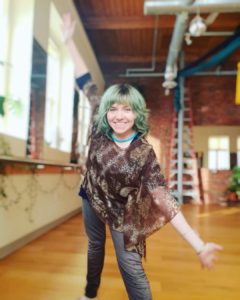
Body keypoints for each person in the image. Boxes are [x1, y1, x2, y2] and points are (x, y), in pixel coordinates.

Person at [61, 13, 223, 300]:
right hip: (91, 195)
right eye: (114, 109)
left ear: (136, 113)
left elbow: (164, 200)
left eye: (126, 109)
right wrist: (68, 40)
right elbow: (84, 78)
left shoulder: (144, 154)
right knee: (95, 245)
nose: (119, 115)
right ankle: (90, 292)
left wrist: (198, 244)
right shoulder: (100, 124)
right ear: (106, 111)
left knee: (131, 265)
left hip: (124, 211)